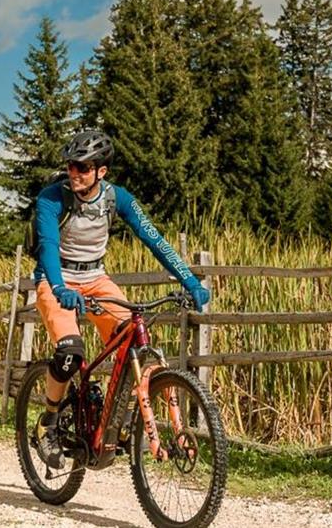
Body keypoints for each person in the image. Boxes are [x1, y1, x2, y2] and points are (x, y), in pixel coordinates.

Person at [30, 129, 210, 465]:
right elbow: (48, 247)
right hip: (57, 278)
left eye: (83, 167)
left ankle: (121, 422)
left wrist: (189, 280)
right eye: (71, 165)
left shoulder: (117, 198)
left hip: (96, 278)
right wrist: (59, 289)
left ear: (102, 172)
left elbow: (153, 238)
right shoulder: (51, 198)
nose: (74, 173)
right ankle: (49, 423)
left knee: (135, 345)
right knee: (69, 352)